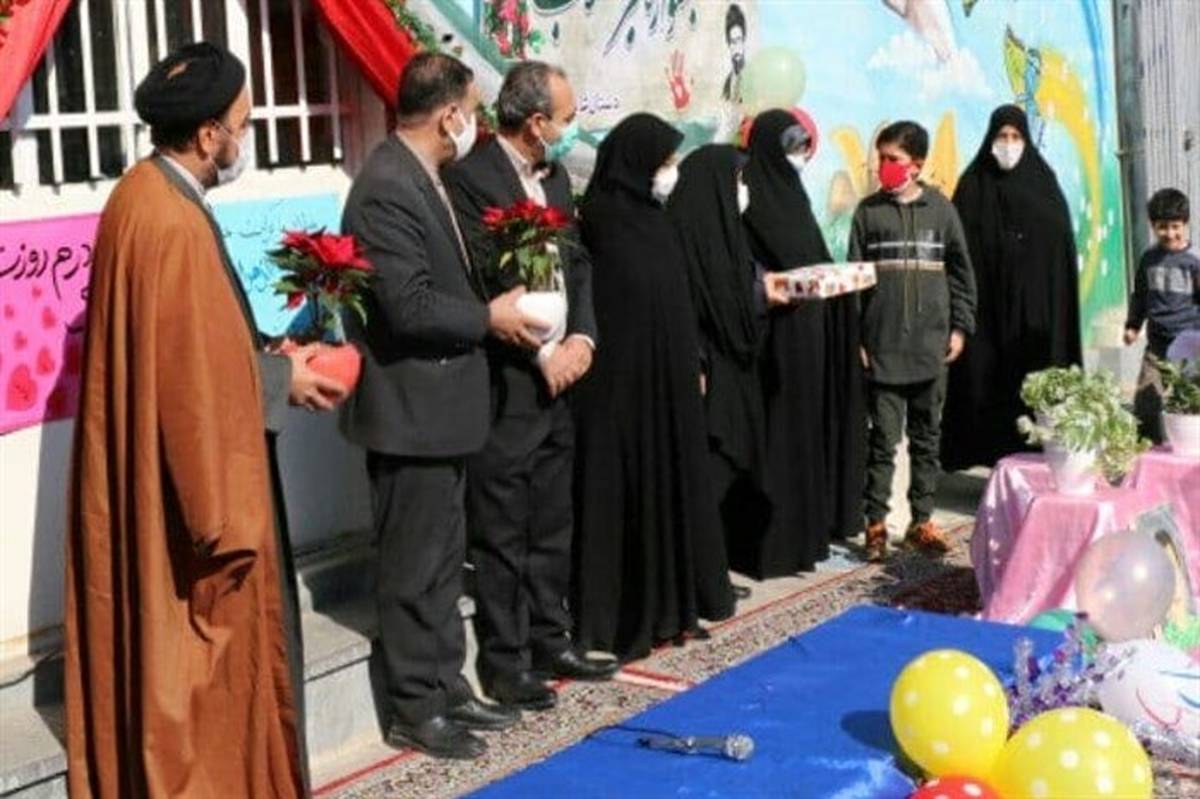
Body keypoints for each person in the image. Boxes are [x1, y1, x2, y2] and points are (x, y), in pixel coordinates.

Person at [64, 42, 345, 797]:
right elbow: (192, 392)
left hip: (154, 476)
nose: (245, 140)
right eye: (241, 126)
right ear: (208, 134)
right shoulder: (173, 224)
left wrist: (266, 355)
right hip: (189, 506)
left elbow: (191, 346)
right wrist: (283, 380)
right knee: (205, 694)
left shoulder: (139, 195)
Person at [340, 52, 546, 760]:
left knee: (442, 560)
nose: (476, 127)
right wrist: (490, 318)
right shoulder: (385, 186)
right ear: (450, 113)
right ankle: (414, 704)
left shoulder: (428, 175)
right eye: (473, 113)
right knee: (413, 565)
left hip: (445, 410)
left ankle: (446, 683)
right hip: (410, 409)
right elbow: (409, 305)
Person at [444, 61, 618, 712]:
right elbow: (481, 277)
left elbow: (578, 265)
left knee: (551, 518)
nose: (573, 129)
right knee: (502, 529)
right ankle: (506, 659)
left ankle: (551, 637)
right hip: (507, 381)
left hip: (563, 380)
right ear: (537, 121)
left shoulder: (557, 178)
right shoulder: (471, 179)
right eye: (567, 119)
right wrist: (540, 352)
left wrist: (583, 339)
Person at [573, 113, 735, 661]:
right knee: (626, 493)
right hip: (619, 389)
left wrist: (692, 361)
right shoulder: (599, 218)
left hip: (669, 385)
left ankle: (674, 608)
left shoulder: (656, 218)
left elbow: (675, 300)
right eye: (663, 162)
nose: (669, 172)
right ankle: (624, 619)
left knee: (672, 485)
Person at [850, 120, 976, 562]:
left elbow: (961, 274)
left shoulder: (941, 211)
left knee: (926, 439)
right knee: (883, 442)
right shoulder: (868, 213)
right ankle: (875, 524)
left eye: (893, 159)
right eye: (880, 158)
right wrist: (856, 337)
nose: (883, 166)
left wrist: (960, 327)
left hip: (931, 349)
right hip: (882, 350)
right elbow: (855, 280)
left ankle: (921, 521)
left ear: (916, 165)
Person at [668, 143, 787, 590]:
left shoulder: (728, 232)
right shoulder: (685, 237)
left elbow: (739, 291)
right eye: (737, 181)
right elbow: (690, 308)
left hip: (734, 368)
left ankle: (709, 572)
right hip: (708, 374)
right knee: (709, 475)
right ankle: (697, 578)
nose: (743, 190)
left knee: (726, 473)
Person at [941, 105, 1082, 470]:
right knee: (985, 385)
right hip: (986, 315)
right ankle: (990, 461)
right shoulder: (972, 186)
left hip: (1033, 316)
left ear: (1026, 140)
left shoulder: (1043, 184)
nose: (1008, 144)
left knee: (1034, 386)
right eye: (1001, 136)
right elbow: (955, 252)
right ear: (990, 139)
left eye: (1016, 137)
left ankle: (1040, 462)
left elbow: (1058, 251)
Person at [738, 108, 835, 577]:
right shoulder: (748, 198)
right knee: (773, 439)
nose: (798, 157)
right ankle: (767, 547)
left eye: (803, 148)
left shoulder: (794, 196)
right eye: (792, 147)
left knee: (801, 435)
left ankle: (802, 539)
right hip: (768, 340)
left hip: (805, 339)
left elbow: (814, 256)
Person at [1124, 188, 1199, 442]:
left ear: (1185, 224)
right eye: (1162, 227)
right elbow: (1140, 295)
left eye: (1175, 226)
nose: (1169, 233)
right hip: (1157, 344)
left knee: (1189, 398)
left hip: (1189, 344)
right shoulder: (1149, 259)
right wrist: (1133, 325)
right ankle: (1148, 449)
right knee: (1146, 400)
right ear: (1153, 226)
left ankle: (1191, 449)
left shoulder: (1194, 261)